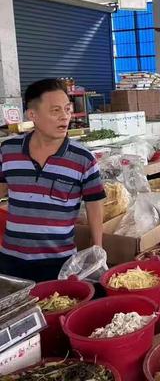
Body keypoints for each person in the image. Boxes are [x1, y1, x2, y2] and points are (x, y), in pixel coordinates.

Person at [0, 79, 106, 282]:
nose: (65, 117)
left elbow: (94, 205)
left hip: (59, 262)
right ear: (33, 115)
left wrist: (97, 248)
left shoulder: (83, 158)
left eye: (67, 109)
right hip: (10, 259)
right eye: (55, 110)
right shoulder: (8, 151)